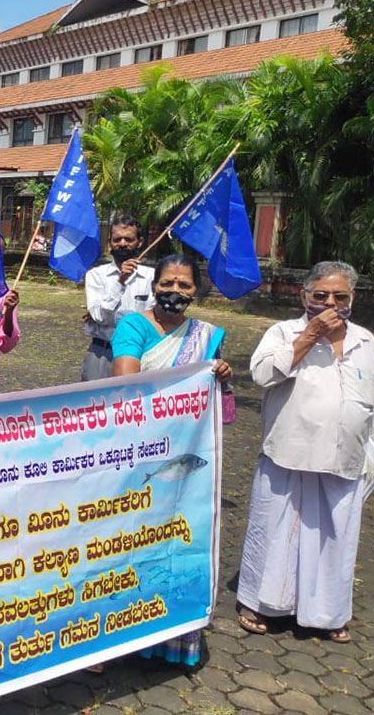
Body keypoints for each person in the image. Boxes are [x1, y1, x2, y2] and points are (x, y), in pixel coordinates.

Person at [237, 261, 374, 644]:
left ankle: (327, 613)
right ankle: (260, 603)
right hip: (288, 451)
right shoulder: (283, 332)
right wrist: (311, 335)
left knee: (336, 537)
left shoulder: (365, 340)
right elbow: (262, 375)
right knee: (275, 530)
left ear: (352, 298)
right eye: (321, 295)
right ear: (305, 296)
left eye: (339, 296)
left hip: (345, 456)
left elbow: (371, 397)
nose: (330, 303)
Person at [110, 253, 232, 667]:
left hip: (185, 452)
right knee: (128, 539)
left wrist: (221, 375)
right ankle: (113, 635)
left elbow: (216, 403)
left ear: (196, 291)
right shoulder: (134, 326)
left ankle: (168, 637)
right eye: (167, 283)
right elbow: (126, 382)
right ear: (154, 285)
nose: (175, 291)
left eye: (184, 285)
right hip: (139, 448)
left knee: (175, 539)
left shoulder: (206, 336)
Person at [81, 216, 154, 381]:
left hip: (141, 354)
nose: (122, 243)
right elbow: (100, 317)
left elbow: (153, 319)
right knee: (95, 397)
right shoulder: (96, 275)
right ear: (110, 242)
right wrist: (120, 282)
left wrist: (111, 316)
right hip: (102, 353)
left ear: (140, 242)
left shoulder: (152, 277)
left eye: (129, 239)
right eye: (117, 239)